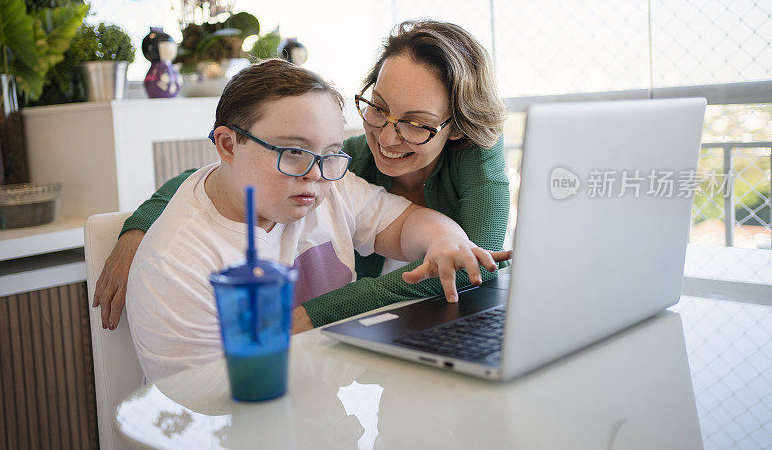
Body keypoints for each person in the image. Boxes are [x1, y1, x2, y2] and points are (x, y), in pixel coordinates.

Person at [94, 19, 510, 331]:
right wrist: (139, 229)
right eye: (378, 107)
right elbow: (217, 169)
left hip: (440, 324)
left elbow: (471, 267)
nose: (386, 135)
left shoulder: (479, 160)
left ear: (456, 125)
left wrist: (313, 315)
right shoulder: (341, 165)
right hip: (365, 339)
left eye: (416, 124)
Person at [127, 59, 507, 380]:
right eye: (293, 152)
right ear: (228, 145)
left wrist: (445, 240)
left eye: (330, 153)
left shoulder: (333, 186)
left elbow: (409, 225)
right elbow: (205, 404)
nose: (314, 174)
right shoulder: (176, 262)